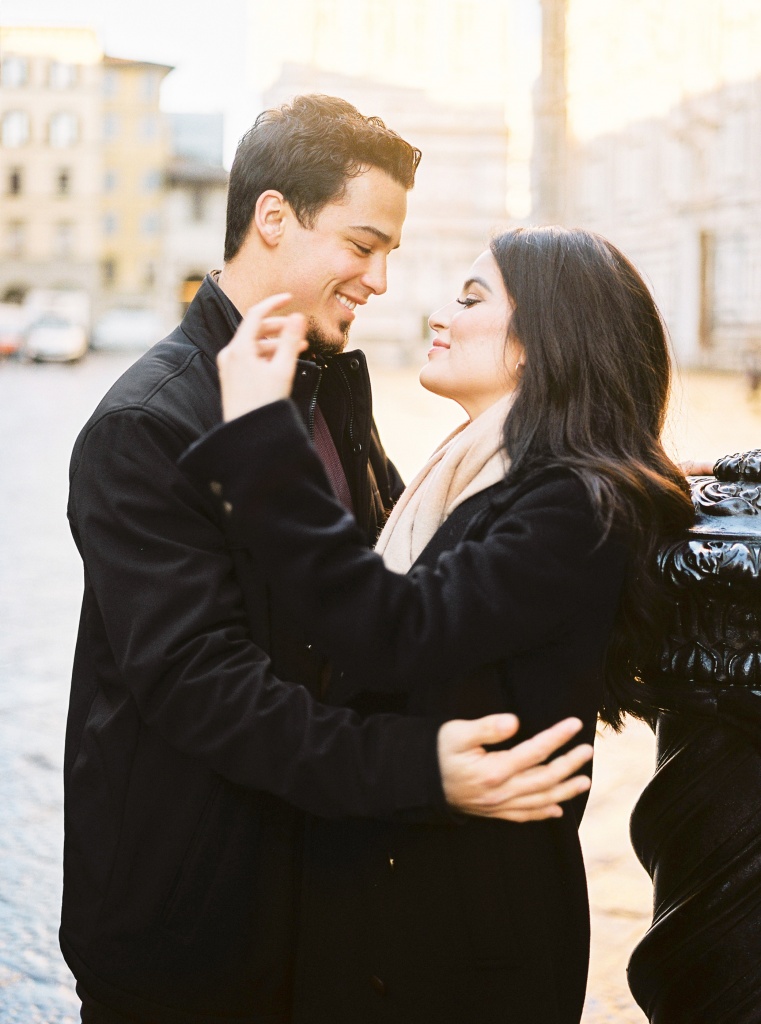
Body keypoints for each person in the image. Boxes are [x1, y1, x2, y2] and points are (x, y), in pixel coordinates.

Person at [63, 97, 593, 1024]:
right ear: (274, 217)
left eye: (388, 251)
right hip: (190, 928)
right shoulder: (147, 422)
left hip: (314, 904)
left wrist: (602, 466)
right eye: (361, 244)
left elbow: (382, 600)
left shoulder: (327, 384)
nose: (380, 280)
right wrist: (421, 770)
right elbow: (204, 688)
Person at [180, 225, 697, 1024]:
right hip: (404, 907)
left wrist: (257, 433)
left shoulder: (573, 504)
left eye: (471, 298)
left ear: (541, 341)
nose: (438, 314)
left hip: (459, 945)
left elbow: (393, 629)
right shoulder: (493, 477)